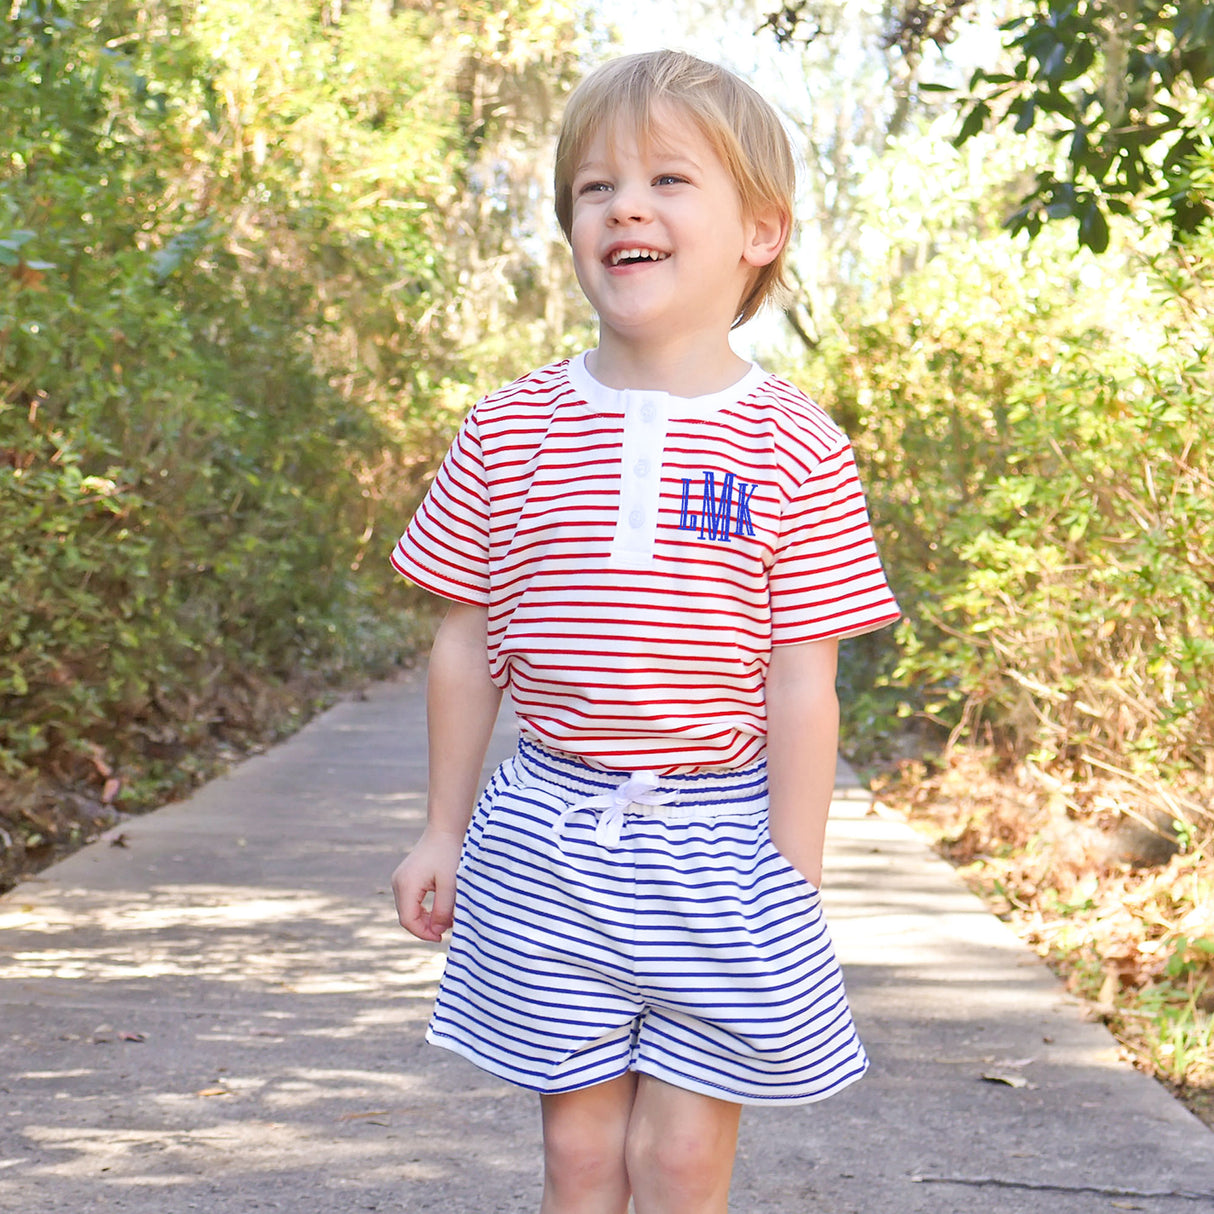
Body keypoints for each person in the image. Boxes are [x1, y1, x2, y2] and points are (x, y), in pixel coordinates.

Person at [390, 49, 899, 1214]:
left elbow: (800, 683)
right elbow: (465, 645)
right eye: (594, 188)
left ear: (757, 232)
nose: (625, 204)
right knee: (577, 1157)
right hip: (543, 835)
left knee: (675, 1159)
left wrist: (792, 875)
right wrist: (440, 831)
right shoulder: (509, 426)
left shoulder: (793, 447)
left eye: (670, 180)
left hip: (716, 846)